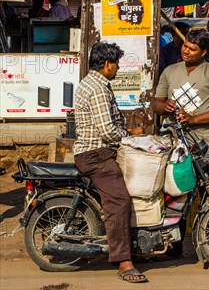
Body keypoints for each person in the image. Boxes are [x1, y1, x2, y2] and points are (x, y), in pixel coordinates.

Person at [73, 42, 147, 283]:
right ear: (107, 64)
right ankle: (124, 262)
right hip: (96, 155)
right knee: (119, 201)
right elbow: (106, 130)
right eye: (116, 64)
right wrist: (130, 136)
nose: (117, 69)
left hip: (99, 152)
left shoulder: (95, 83)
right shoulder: (97, 88)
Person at [152, 29, 209, 148]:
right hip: (172, 139)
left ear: (203, 53)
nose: (186, 51)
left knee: (203, 166)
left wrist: (193, 119)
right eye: (185, 46)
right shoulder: (169, 71)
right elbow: (156, 103)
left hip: (203, 141)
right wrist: (164, 106)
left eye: (192, 49)